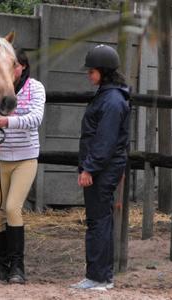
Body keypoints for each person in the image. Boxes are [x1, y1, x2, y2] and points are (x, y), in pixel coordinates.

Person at [0, 48, 46, 284]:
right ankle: (2, 266)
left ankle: (18, 267)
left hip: (25, 158)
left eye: (14, 65)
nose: (11, 70)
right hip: (1, 158)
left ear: (23, 67)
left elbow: (35, 119)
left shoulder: (35, 88)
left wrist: (8, 122)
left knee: (12, 208)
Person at [71, 44, 130, 291]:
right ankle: (100, 275)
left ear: (103, 72)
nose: (88, 74)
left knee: (98, 222)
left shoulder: (112, 100)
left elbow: (104, 141)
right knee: (100, 220)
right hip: (103, 167)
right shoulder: (107, 95)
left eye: (92, 71)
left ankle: (98, 277)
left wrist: (89, 169)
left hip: (102, 169)